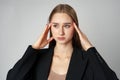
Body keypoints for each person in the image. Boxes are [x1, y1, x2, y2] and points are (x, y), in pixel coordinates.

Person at [7, 4, 119, 80]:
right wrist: (34, 48)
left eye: (67, 26)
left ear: (75, 28)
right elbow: (12, 78)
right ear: (49, 27)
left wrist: (90, 48)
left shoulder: (87, 59)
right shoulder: (37, 57)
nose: (60, 32)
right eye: (55, 26)